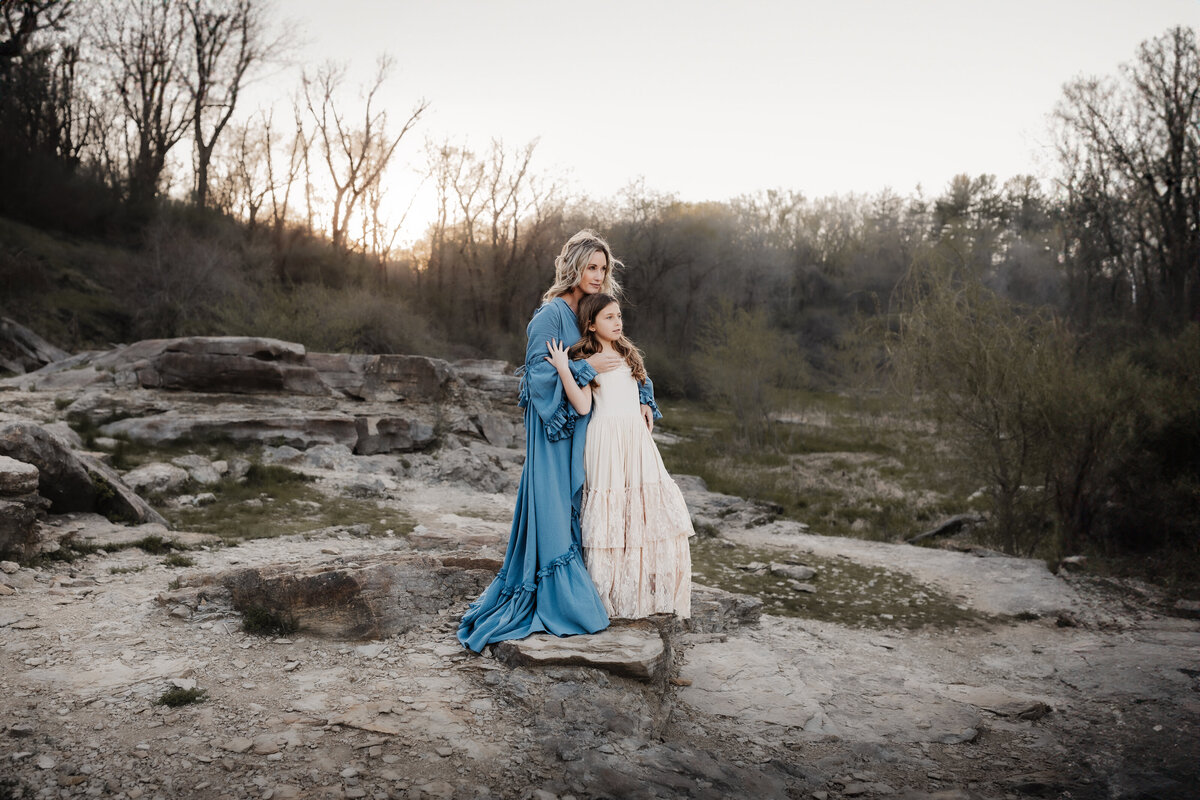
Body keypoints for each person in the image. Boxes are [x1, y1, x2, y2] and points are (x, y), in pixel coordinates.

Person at [457, 230, 631, 652]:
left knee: (578, 506)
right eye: (591, 267)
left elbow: (621, 352)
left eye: (602, 268)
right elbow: (537, 378)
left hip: (586, 428)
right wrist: (586, 367)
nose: (597, 275)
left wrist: (643, 397)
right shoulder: (550, 317)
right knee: (553, 506)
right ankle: (559, 599)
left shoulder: (594, 309)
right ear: (573, 267)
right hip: (553, 429)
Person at [553, 292, 694, 619]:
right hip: (606, 441)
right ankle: (611, 600)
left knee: (646, 511)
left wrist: (646, 402)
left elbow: (641, 382)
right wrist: (565, 368)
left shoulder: (628, 352)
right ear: (590, 324)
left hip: (636, 439)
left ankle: (647, 595)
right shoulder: (585, 358)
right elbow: (583, 406)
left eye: (619, 316)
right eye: (609, 318)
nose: (618, 322)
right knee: (613, 513)